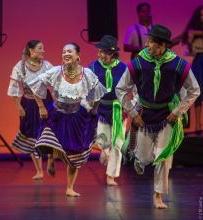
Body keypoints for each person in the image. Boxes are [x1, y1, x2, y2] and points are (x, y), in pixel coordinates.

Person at [116, 24, 200, 209]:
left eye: (150, 42)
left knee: (164, 155)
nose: (146, 45)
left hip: (167, 115)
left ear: (162, 45)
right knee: (146, 158)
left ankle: (158, 195)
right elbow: (121, 89)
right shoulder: (139, 63)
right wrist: (133, 113)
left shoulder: (178, 64)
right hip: (144, 115)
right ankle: (138, 157)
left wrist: (178, 111)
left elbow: (194, 90)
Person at [28, 42, 106, 197]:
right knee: (49, 140)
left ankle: (69, 187)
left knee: (75, 153)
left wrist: (93, 111)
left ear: (78, 55)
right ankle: (51, 158)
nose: (66, 54)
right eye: (64, 52)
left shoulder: (87, 74)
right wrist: (41, 107)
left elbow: (98, 92)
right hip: (57, 114)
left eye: (69, 51)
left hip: (76, 116)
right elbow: (35, 85)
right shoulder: (56, 71)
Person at [7, 40, 53, 180]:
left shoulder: (47, 66)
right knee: (33, 137)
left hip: (46, 102)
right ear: (31, 51)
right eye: (40, 48)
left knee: (50, 133)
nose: (43, 51)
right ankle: (39, 171)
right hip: (28, 103)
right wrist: (19, 108)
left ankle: (51, 160)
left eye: (43, 48)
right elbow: (12, 89)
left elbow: (56, 83)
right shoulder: (20, 67)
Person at [88, 35, 127, 186]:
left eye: (102, 52)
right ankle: (105, 152)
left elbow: (134, 88)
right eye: (99, 52)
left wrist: (133, 105)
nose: (99, 55)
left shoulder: (123, 68)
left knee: (117, 144)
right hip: (101, 108)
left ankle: (111, 176)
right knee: (103, 142)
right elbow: (88, 87)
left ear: (111, 53)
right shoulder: (93, 67)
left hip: (118, 109)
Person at [173, 5, 203, 133]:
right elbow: (191, 52)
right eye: (201, 15)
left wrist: (196, 32)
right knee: (197, 92)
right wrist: (191, 41)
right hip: (199, 60)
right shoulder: (193, 33)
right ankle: (197, 124)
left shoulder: (195, 32)